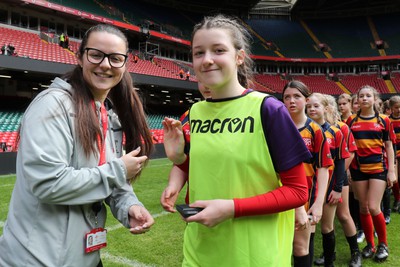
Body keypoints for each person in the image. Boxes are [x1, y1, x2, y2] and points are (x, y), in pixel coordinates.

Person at [0, 24, 155, 267]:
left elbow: (110, 178)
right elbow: (48, 183)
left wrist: (129, 206)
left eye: (115, 59)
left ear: (124, 66)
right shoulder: (52, 105)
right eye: (96, 54)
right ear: (80, 57)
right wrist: (119, 170)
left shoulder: (105, 113)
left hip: (86, 259)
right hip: (37, 261)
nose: (105, 64)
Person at [163, 14, 311, 266]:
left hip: (255, 254)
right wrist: (180, 160)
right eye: (199, 53)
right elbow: (211, 175)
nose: (207, 59)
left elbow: (297, 192)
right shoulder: (196, 112)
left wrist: (231, 208)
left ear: (239, 57)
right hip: (200, 249)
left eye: (218, 50)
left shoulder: (269, 110)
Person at [282, 81, 332, 267]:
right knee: (278, 245)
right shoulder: (275, 128)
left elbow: (323, 168)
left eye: (297, 96)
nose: (291, 101)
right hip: (277, 195)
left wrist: (318, 204)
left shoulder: (316, 130)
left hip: (305, 197)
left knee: (300, 247)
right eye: (287, 97)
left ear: (307, 99)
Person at [346, 85, 396, 262]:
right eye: (361, 96)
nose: (365, 98)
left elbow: (389, 146)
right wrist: (348, 171)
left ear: (375, 99)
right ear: (357, 100)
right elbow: (348, 148)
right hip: (358, 170)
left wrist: (392, 170)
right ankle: (370, 244)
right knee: (363, 207)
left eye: (369, 96)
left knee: (374, 207)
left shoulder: (384, 120)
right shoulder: (351, 121)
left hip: (378, 169)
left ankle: (383, 244)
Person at [314, 94, 361, 267]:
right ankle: (329, 253)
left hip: (337, 179)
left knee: (343, 215)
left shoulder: (341, 128)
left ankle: (355, 252)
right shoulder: (312, 128)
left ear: (328, 107)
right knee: (327, 220)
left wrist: (339, 180)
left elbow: (349, 154)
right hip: (321, 181)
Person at [306, 93, 347, 267]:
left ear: (326, 108)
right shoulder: (304, 131)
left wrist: (337, 189)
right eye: (309, 107)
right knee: (309, 228)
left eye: (316, 106)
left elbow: (340, 163)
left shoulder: (335, 132)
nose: (312, 109)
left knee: (327, 227)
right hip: (309, 187)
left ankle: (329, 262)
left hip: (330, 186)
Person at [389, 95, 400, 213]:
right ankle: (397, 199)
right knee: (395, 179)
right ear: (391, 108)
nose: (399, 110)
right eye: (396, 107)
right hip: (394, 152)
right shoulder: (388, 120)